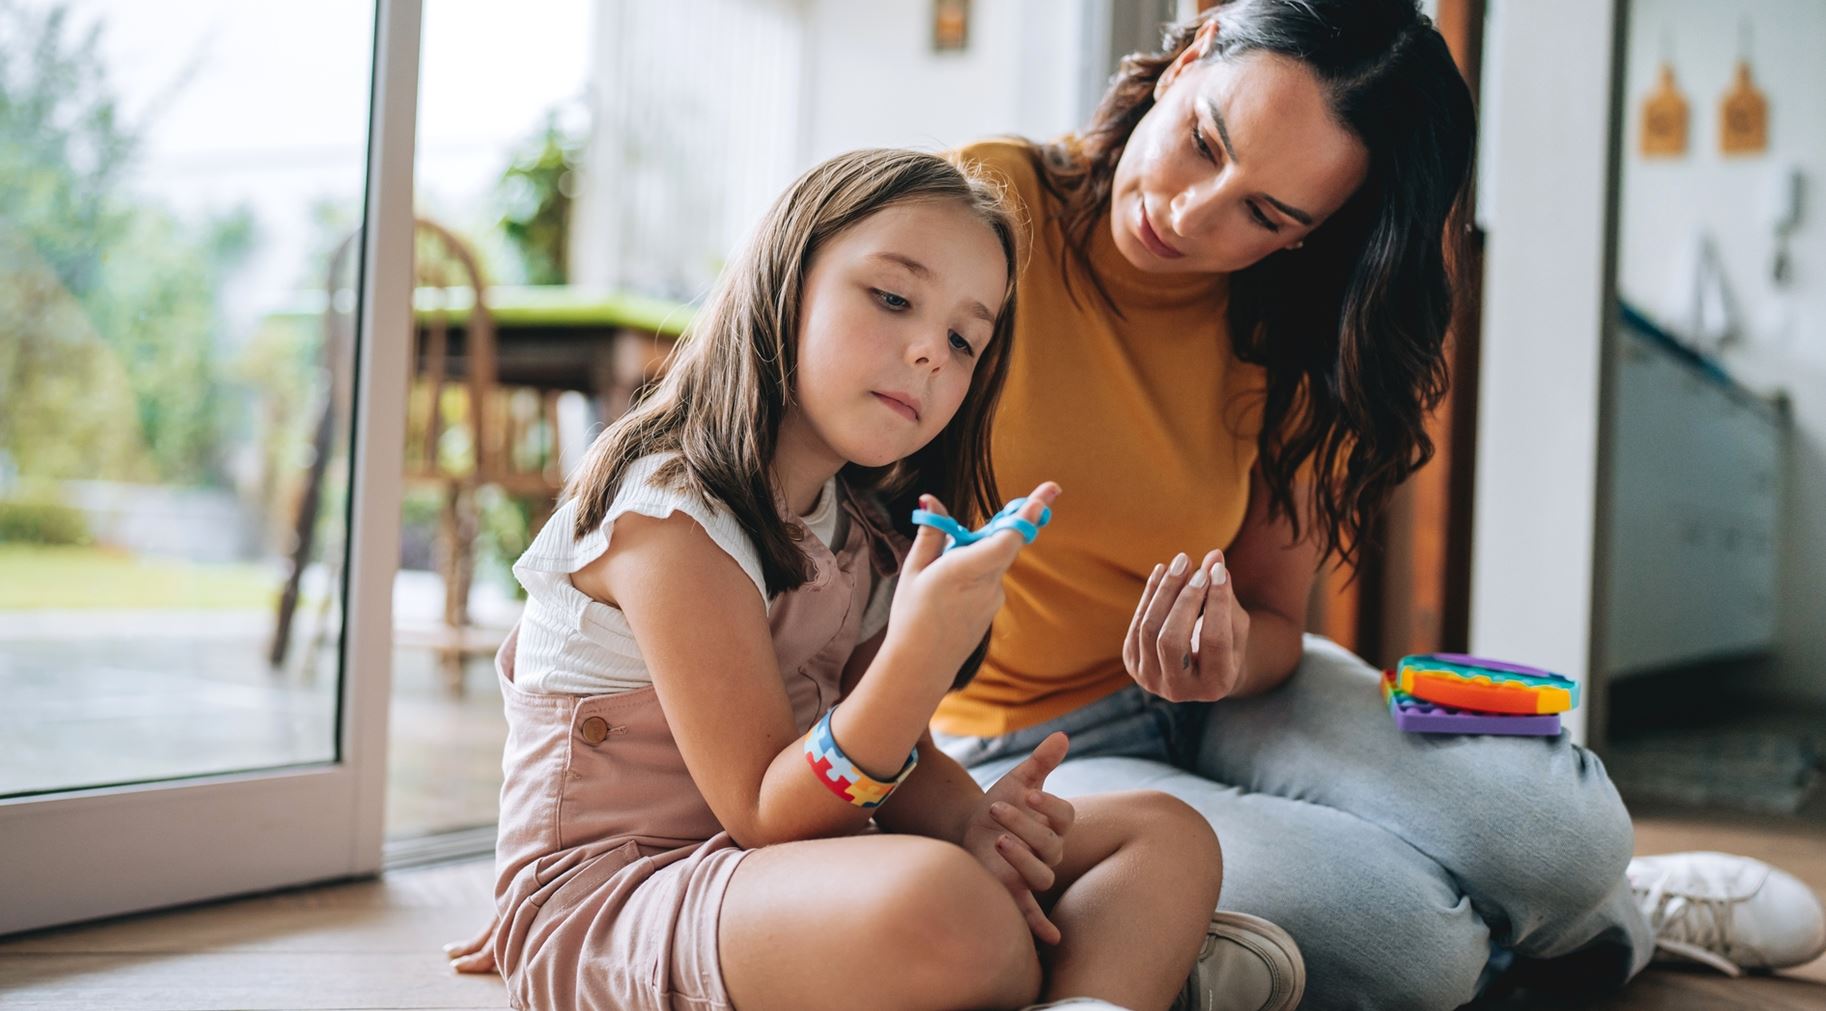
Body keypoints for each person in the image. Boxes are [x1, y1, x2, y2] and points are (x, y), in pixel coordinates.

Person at [923, 2, 1826, 1008]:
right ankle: (1598, 930)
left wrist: (1224, 656)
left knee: (1562, 838)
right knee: (1407, 945)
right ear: (1192, 51)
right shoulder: (984, 211)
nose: (1191, 213)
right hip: (1021, 741)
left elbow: (1273, 619)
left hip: (1233, 700)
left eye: (1266, 216)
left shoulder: (1290, 323)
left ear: (1313, 234)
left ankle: (1595, 903)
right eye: (1203, 143)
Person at [457, 147, 1254, 1011]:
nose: (929, 352)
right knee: (944, 906)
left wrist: (979, 824)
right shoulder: (670, 514)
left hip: (787, 873)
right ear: (788, 279)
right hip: (627, 897)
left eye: (963, 339)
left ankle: (1086, 992)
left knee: (1165, 837)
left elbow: (904, 763)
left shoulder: (863, 533)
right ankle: (1132, 973)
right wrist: (922, 651)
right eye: (892, 297)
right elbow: (767, 809)